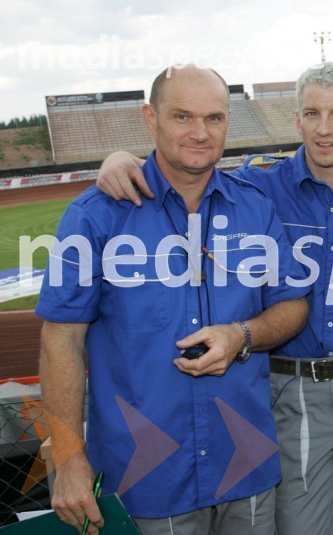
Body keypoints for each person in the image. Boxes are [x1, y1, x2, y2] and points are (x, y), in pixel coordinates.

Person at [94, 62, 333, 535]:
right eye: (312, 113)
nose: (325, 128)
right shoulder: (259, 187)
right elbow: (187, 165)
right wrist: (121, 157)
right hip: (291, 385)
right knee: (303, 525)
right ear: (295, 119)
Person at [37, 65, 310, 535]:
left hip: (245, 466)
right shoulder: (95, 216)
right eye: (182, 117)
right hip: (142, 478)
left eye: (215, 118)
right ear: (150, 118)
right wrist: (68, 456)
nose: (200, 133)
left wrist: (242, 334)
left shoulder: (255, 207)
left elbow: (293, 306)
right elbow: (59, 340)